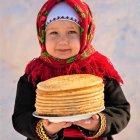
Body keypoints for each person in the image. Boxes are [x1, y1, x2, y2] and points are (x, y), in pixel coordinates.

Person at [12, 0, 130, 140]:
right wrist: (45, 128)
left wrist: (97, 123)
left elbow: (121, 110)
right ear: (42, 35)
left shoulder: (99, 71)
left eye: (71, 32)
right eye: (54, 32)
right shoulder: (34, 76)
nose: (63, 41)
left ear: (85, 34)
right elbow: (21, 117)